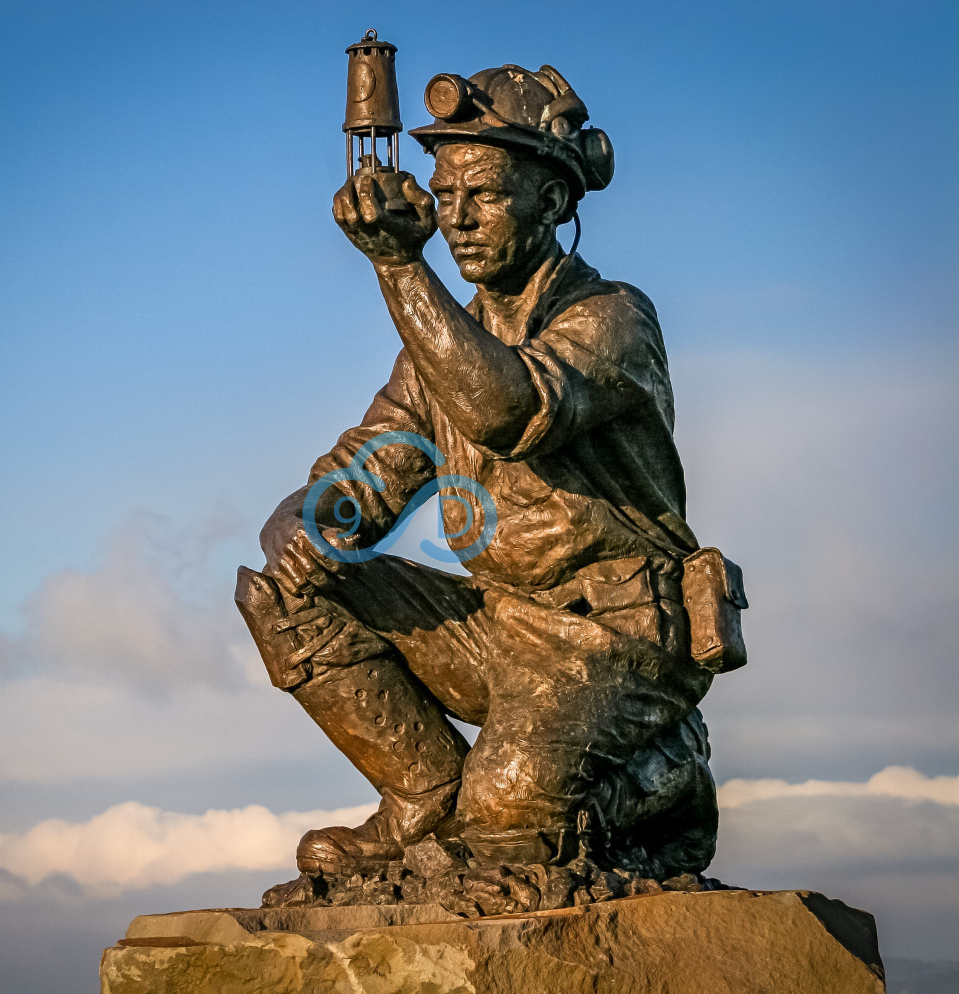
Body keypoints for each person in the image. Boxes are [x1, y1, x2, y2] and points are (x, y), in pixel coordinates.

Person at [237, 64, 723, 878]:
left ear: (553, 202)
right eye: (445, 194)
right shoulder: (437, 349)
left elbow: (507, 409)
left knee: (508, 834)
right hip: (498, 628)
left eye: (485, 196)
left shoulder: (611, 318)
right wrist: (304, 522)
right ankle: (425, 798)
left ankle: (659, 776)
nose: (456, 219)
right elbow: (369, 473)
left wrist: (399, 269)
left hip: (614, 637)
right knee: (282, 587)